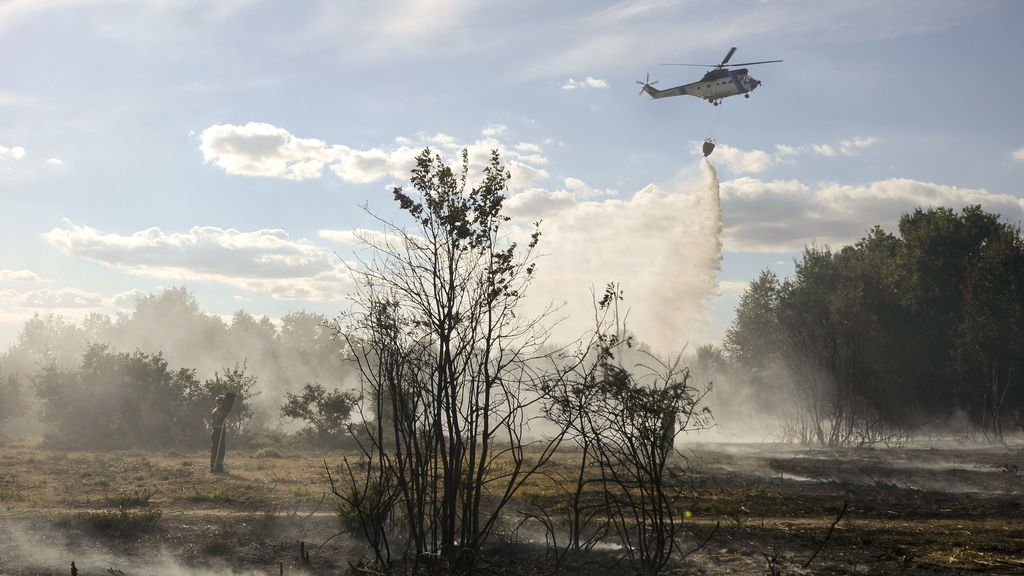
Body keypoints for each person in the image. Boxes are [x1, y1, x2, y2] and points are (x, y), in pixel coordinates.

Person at [210, 392, 237, 473]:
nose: (222, 404)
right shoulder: (216, 411)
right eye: (221, 402)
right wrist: (223, 416)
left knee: (221, 450)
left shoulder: (223, 411)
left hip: (222, 432)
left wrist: (225, 415)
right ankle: (213, 467)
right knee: (215, 450)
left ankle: (219, 467)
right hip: (216, 432)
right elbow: (217, 420)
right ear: (218, 403)